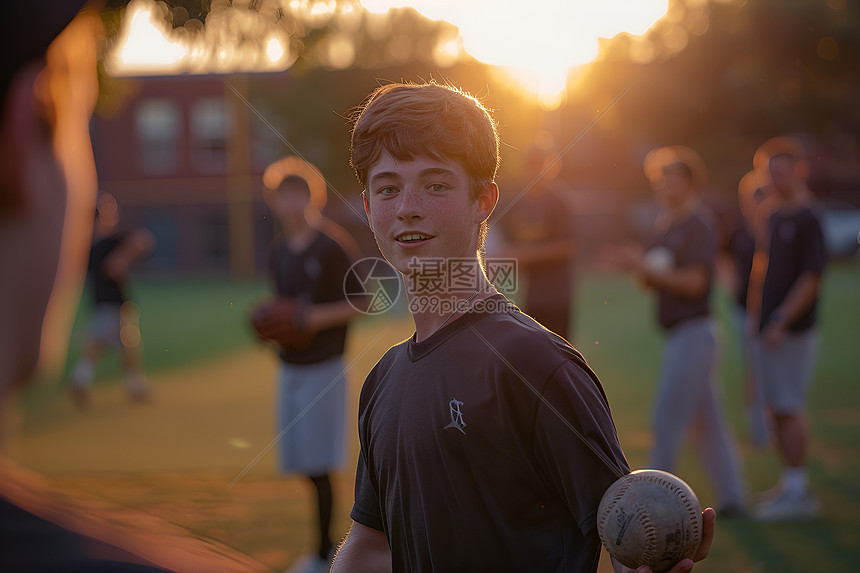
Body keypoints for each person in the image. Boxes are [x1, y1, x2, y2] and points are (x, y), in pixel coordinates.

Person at [331, 82, 715, 573]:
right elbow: (371, 546)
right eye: (388, 188)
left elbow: (627, 537)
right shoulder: (383, 381)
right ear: (368, 209)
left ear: (484, 200)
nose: (407, 205)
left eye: (435, 183)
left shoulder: (535, 364)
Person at [606, 147, 746, 516]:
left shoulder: (699, 223)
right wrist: (634, 267)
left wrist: (644, 267)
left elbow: (695, 283)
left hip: (695, 333)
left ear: (687, 182)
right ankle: (733, 498)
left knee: (666, 418)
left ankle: (654, 508)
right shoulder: (665, 224)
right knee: (707, 421)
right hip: (679, 335)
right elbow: (654, 280)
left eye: (666, 179)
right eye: (656, 180)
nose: (659, 186)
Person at [251, 158, 360, 573]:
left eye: (299, 193)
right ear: (275, 202)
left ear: (313, 196)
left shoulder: (332, 245)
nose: (292, 202)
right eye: (284, 195)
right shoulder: (279, 251)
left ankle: (324, 553)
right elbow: (283, 310)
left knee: (320, 465)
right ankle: (325, 549)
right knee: (302, 464)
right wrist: (273, 327)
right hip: (290, 366)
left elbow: (363, 301)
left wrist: (314, 318)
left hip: (324, 366)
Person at [747, 137, 827, 521]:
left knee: (789, 406)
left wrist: (781, 320)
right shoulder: (773, 215)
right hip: (769, 329)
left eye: (781, 171)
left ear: (799, 170)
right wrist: (756, 317)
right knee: (776, 408)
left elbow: (812, 277)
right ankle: (789, 483)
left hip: (792, 331)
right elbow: (763, 268)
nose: (776, 179)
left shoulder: (809, 217)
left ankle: (799, 493)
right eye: (770, 173)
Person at [69, 192, 155, 408]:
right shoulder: (106, 242)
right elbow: (143, 240)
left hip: (104, 302)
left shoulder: (87, 243)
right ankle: (84, 380)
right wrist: (123, 258)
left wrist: (122, 258)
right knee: (110, 343)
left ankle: (126, 384)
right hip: (112, 303)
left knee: (112, 343)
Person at [496, 144, 577, 339]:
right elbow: (501, 242)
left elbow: (567, 246)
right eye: (529, 165)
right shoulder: (516, 201)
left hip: (556, 297)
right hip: (527, 296)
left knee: (558, 356)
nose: (533, 171)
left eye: (539, 165)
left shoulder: (558, 201)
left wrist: (526, 255)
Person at [721, 171, 770, 448]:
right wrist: (731, 282)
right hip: (744, 308)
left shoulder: (772, 225)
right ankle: (759, 428)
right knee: (753, 367)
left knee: (771, 369)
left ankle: (774, 425)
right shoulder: (736, 228)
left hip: (772, 310)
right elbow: (722, 256)